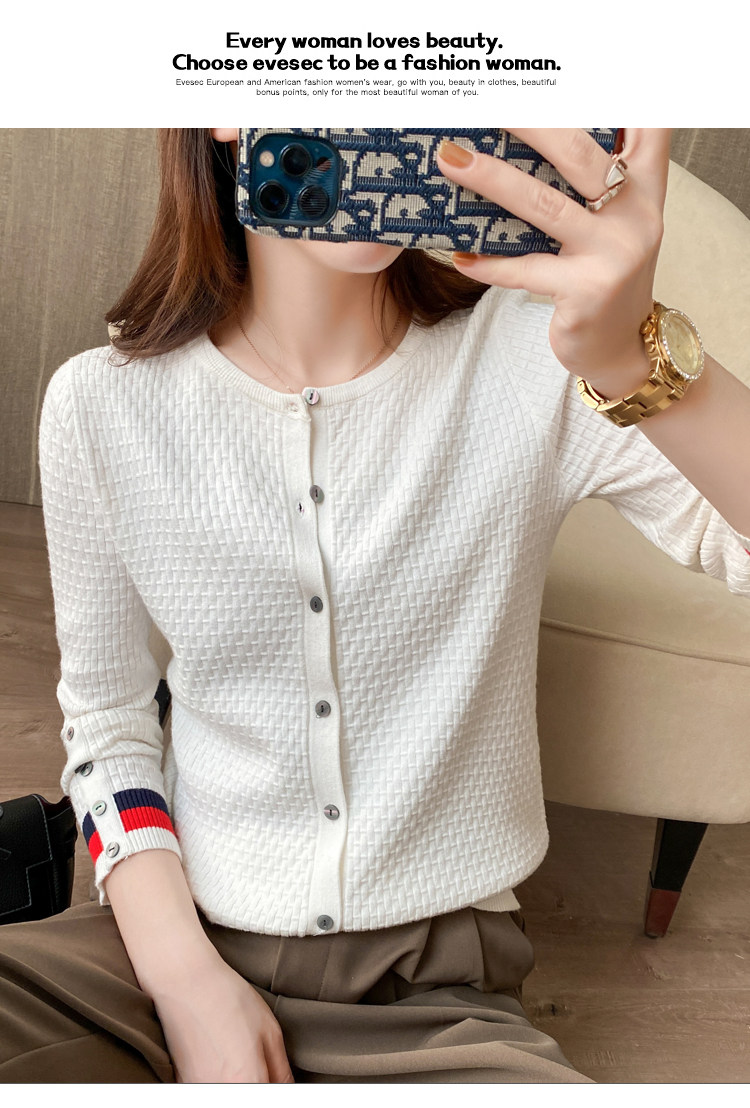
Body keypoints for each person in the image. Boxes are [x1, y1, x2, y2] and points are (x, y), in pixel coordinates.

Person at [2, 128, 749, 1084]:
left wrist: (639, 360)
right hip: (157, 955)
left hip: (434, 991)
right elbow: (107, 725)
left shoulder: (542, 355)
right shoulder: (99, 405)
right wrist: (186, 983)